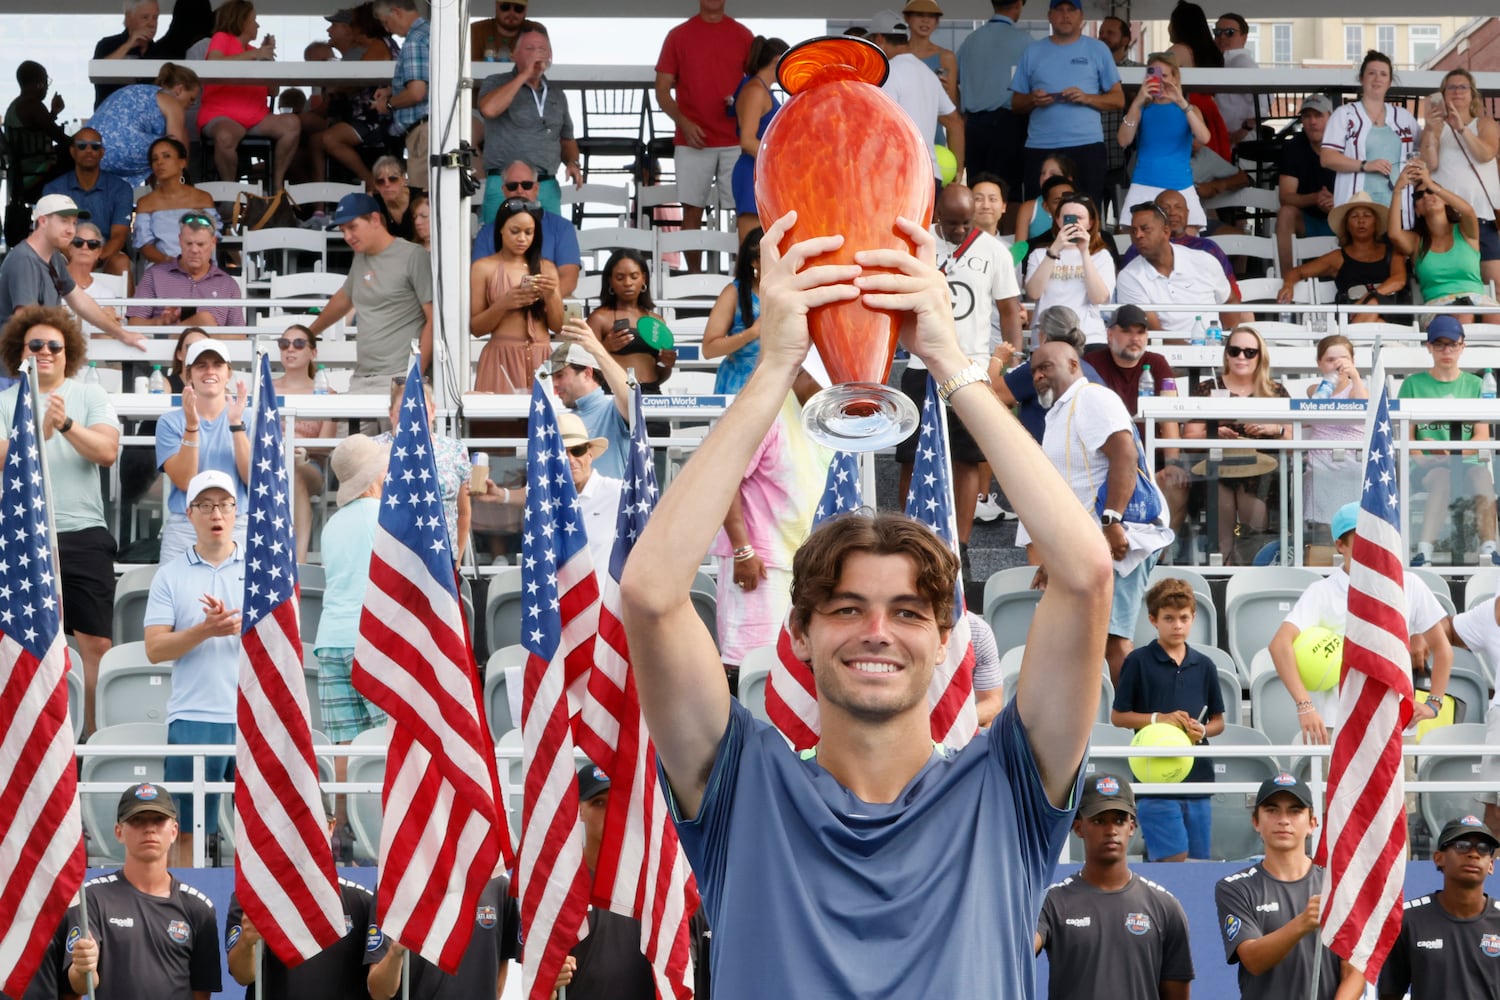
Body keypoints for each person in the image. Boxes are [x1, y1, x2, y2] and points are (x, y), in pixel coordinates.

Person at [619, 209, 1113, 997]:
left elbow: (1087, 573)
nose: (877, 631)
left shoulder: (1008, 790)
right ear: (802, 635)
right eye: (846, 608)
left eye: (909, 612)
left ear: (949, 636)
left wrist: (949, 361)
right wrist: (778, 363)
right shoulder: (743, 786)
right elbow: (648, 594)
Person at [0, 306, 120, 737]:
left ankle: (90, 739)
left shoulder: (89, 396)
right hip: (20, 538)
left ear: (69, 353)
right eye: (36, 345)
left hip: (82, 532)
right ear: (21, 353)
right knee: (17, 643)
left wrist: (65, 423)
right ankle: (27, 739)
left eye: (55, 345)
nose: (46, 351)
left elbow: (108, 452)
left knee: (96, 643)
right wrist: (33, 429)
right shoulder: (3, 402)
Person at [1028, 338, 1173, 681]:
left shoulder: (1091, 397)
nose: (1038, 376)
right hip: (1090, 541)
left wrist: (1113, 521)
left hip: (1120, 536)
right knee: (1089, 641)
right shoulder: (1059, 413)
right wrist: (1054, 557)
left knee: (1112, 641)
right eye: (1034, 370)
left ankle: (1133, 721)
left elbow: (1124, 454)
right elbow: (1070, 493)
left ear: (1074, 365)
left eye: (1046, 367)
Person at [897, 182, 1022, 572]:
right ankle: (907, 538)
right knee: (910, 456)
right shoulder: (917, 246)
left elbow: (1008, 310)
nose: (959, 231)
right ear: (937, 217)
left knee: (967, 458)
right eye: (951, 224)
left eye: (965, 223)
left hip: (972, 367)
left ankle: (962, 546)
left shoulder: (994, 252)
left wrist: (1010, 359)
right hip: (921, 364)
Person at [1268, 502, 1451, 746]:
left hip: (1397, 726)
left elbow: (1444, 650)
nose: (1373, 546)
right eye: (1363, 539)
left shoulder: (1410, 583)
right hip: (1340, 725)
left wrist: (1433, 703)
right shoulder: (1321, 591)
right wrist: (1305, 706)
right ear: (1340, 545)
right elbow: (1279, 645)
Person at [143, 470, 246, 863]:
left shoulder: (259, 572)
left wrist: (239, 629)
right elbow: (154, 648)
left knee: (257, 833)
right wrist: (205, 630)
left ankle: (252, 921)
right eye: (205, 505)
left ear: (236, 511)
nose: (215, 513)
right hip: (193, 716)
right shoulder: (170, 575)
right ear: (190, 514)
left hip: (250, 714)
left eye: (223, 504)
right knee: (184, 832)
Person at [713, 374, 827, 691]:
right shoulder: (766, 412)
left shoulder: (824, 416)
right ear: (804, 373)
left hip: (806, 564)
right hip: (759, 563)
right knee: (751, 666)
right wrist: (742, 550)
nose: (831, 390)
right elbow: (725, 479)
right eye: (827, 380)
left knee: (796, 667)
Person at [1035, 774, 1195, 999]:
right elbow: (1018, 950)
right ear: (1078, 827)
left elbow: (1177, 994)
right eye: (1099, 820)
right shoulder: (1052, 901)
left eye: (1119, 820)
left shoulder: (1165, 906)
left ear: (1132, 826)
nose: (1111, 830)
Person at [563, 764, 710, 999]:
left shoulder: (662, 883)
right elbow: (540, 986)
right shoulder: (562, 886)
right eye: (598, 803)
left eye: (619, 801)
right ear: (579, 810)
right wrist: (550, 980)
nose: (610, 810)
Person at [61, 784, 221, 998]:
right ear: (119, 832)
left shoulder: (199, 907)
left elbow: (201, 993)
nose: (149, 828)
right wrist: (83, 967)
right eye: (137, 820)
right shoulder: (92, 898)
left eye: (158, 819)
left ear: (174, 831)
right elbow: (78, 986)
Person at [1214, 773, 1364, 1000]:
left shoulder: (1338, 886)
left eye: (1295, 811)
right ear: (1256, 822)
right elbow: (1253, 960)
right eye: (1272, 810)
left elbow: (1354, 971)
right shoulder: (1235, 888)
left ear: (1313, 824)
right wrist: (1303, 923)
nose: (1283, 820)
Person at [226, 809, 402, 999]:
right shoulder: (253, 897)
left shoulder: (361, 902)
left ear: (331, 826)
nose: (305, 833)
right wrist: (246, 942)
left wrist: (396, 952)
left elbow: (379, 988)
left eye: (314, 823)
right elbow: (242, 976)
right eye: (296, 824)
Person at [1110, 579, 1225, 858]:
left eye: (1184, 618)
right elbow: (1118, 716)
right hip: (1154, 778)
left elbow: (1218, 721)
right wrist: (1156, 719)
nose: (1177, 625)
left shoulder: (1205, 665)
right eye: (1169, 618)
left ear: (1193, 618)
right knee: (1171, 861)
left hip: (1198, 778)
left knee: (1199, 864)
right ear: (1153, 619)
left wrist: (1203, 731)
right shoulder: (1137, 661)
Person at [315, 434, 391, 837]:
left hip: (332, 635)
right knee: (386, 738)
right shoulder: (385, 516)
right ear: (376, 475)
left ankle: (341, 830)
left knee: (344, 742)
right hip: (374, 638)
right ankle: (384, 828)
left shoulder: (333, 524)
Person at [308, 193, 434, 411]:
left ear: (375, 219)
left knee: (393, 446)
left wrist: (413, 378)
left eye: (352, 227)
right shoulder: (361, 256)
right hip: (361, 377)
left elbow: (433, 319)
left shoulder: (414, 255)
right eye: (342, 230)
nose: (347, 236)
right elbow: (344, 298)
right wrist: (309, 333)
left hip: (399, 377)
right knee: (350, 445)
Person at [654, 0, 753, 268]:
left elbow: (755, 82)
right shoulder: (678, 35)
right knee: (692, 209)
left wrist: (741, 104)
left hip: (735, 140)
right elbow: (662, 88)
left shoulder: (743, 35)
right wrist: (683, 122)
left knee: (742, 211)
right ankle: (693, 277)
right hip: (692, 140)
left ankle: (740, 275)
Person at [1399, 314, 1500, 566]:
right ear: (1429, 347)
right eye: (1439, 344)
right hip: (1426, 467)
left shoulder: (1477, 384)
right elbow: (1406, 436)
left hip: (1466, 465)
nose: (1446, 350)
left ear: (1463, 346)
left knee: (1482, 477)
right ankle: (1424, 552)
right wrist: (1423, 458)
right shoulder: (1412, 384)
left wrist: (1452, 453)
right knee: (1442, 478)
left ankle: (1490, 548)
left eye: (1452, 344)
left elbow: (1481, 437)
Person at [1183, 325, 1288, 563]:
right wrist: (1214, 432)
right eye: (1235, 351)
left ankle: (1247, 570)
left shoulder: (1274, 391)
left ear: (1260, 356)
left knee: (1254, 534)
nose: (1241, 357)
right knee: (1221, 507)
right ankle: (1224, 573)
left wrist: (1274, 429)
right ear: (1226, 354)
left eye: (1250, 352)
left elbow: (1295, 438)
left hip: (1263, 474)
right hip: (1218, 467)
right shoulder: (1209, 388)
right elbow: (1188, 438)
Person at [1083, 304, 1189, 532]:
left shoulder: (1157, 363)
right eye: (1127, 331)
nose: (1135, 338)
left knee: (1175, 483)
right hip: (1103, 463)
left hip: (1150, 463)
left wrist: (1173, 464)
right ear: (1110, 334)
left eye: (1141, 332)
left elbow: (1168, 416)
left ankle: (1159, 558)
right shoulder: (1091, 363)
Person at [1010, 0, 1123, 206]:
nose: (1065, 15)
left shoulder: (1098, 49)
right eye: (1059, 10)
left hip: (1086, 145)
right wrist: (1033, 99)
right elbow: (1016, 103)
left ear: (1081, 17)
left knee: (1088, 210)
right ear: (1049, 16)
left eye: (1071, 10)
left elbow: (1118, 99)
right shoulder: (1032, 51)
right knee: (1040, 213)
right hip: (1041, 146)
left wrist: (1087, 98)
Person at [0, 194, 146, 352]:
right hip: (17, 369)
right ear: (42, 221)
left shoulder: (53, 257)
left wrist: (121, 333)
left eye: (74, 223)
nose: (71, 230)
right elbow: (25, 323)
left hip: (39, 359)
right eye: (64, 221)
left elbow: (79, 299)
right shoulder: (25, 260)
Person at [1378, 816, 1500, 1000]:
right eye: (1462, 845)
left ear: (1491, 864)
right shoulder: (1408, 920)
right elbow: (1390, 994)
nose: (1473, 854)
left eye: (1483, 849)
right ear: (1438, 858)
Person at [477, 24, 583, 222]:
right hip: (505, 186)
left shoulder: (557, 95)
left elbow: (566, 139)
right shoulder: (495, 82)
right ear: (514, 55)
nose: (537, 54)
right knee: (499, 244)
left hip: (546, 185)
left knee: (549, 245)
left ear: (550, 56)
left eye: (542, 49)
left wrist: (572, 162)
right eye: (530, 49)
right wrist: (524, 75)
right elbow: (489, 109)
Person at [199, 0, 300, 192]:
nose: (257, 25)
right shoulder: (222, 37)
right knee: (226, 136)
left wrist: (267, 61)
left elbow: (274, 91)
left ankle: (276, 186)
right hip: (222, 116)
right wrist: (257, 55)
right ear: (242, 20)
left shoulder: (255, 52)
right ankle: (230, 193)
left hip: (257, 118)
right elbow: (215, 62)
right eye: (254, 19)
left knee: (292, 124)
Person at [470, 196, 563, 394]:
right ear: (501, 229)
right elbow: (476, 328)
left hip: (541, 355)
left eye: (529, 233)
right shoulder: (483, 267)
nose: (522, 239)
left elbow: (557, 326)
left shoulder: (546, 267)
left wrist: (552, 295)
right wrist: (504, 303)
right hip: (501, 357)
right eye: (515, 231)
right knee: (502, 423)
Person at [374, 378, 472, 561]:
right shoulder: (373, 449)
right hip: (394, 562)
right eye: (404, 409)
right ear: (391, 414)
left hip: (441, 562)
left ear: (433, 411)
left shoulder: (455, 450)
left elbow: (464, 512)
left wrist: (456, 563)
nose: (413, 414)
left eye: (420, 408)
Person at [1389, 158, 1498, 323]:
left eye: (1430, 192)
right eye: (1419, 195)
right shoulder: (1416, 240)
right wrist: (1398, 189)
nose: (1426, 196)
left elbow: (1468, 211)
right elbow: (1394, 234)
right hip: (1438, 307)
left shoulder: (1464, 231)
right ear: (1417, 210)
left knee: (1496, 317)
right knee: (1463, 316)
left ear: (1445, 199)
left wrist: (1432, 185)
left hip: (1478, 301)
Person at [1422, 68, 1500, 291]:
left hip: (1482, 216)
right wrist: (1429, 128)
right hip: (1448, 221)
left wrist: (1462, 128)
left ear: (1472, 95)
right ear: (1443, 94)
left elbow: (1485, 154)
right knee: (1458, 286)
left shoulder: (1484, 123)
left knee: (1495, 284)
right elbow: (1431, 163)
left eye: (1462, 87)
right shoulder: (1437, 128)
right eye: (1451, 87)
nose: (1457, 92)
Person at [308, 3, 400, 191]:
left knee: (330, 139)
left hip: (378, 117)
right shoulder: (378, 45)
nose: (352, 28)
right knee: (317, 140)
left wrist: (335, 86)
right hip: (370, 115)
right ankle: (320, 204)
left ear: (362, 26)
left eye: (354, 24)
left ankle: (371, 183)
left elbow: (356, 81)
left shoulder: (378, 45)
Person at [869, 10, 964, 190]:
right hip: (931, 175)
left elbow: (880, 129)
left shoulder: (886, 74)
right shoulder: (928, 74)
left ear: (879, 39)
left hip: (898, 176)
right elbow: (955, 122)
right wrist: (957, 172)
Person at [1277, 191, 1407, 321]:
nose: (1361, 221)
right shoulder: (1338, 257)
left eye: (1367, 216)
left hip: (1390, 314)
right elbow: (1298, 272)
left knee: (1375, 306)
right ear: (1347, 225)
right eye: (1354, 216)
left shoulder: (1392, 252)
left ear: (1376, 223)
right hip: (1351, 316)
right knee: (1377, 318)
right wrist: (1288, 284)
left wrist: (1369, 298)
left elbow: (1399, 280)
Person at [1118, 51, 1210, 230]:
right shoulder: (1142, 108)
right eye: (1152, 75)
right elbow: (1123, 140)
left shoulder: (1189, 109)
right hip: (1144, 182)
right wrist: (1137, 101)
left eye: (1164, 75)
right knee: (1136, 241)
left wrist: (1181, 101)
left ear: (1175, 77)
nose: (1158, 80)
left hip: (1180, 185)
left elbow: (1204, 138)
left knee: (1187, 243)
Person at [1116, 200, 1231, 340]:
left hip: (1213, 351)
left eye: (1145, 229)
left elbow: (1229, 301)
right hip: (1167, 355)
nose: (1138, 235)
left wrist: (1226, 347)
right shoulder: (1129, 276)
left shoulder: (1204, 261)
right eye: (1133, 231)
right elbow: (1156, 333)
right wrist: (1195, 354)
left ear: (1166, 231)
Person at [1321, 50, 1421, 209]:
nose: (1377, 79)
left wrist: (1434, 128)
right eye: (1371, 73)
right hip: (1358, 210)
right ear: (1361, 78)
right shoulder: (1344, 114)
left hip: (1398, 208)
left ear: (1389, 81)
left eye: (1383, 74)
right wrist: (1365, 165)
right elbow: (1327, 158)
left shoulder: (1404, 117)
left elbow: (1422, 152)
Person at [1118, 188, 1244, 313]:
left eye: (1178, 207)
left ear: (1187, 213)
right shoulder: (1138, 249)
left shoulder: (1208, 248)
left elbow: (1231, 295)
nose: (1172, 212)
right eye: (1166, 208)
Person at [956, 0, 1030, 207]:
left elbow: (954, 81)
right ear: (1017, 5)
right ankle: (1006, 237)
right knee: (1008, 190)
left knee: (977, 189)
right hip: (1009, 124)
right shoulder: (1025, 41)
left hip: (974, 125)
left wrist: (961, 113)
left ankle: (978, 237)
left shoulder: (970, 41)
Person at [995, 304, 1104, 445]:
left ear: (1043, 336)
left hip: (1045, 458)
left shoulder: (1041, 367)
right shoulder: (1089, 369)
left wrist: (997, 359)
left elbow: (991, 395)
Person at [470, 161, 583, 297]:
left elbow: (569, 279)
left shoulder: (562, 227)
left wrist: (535, 306)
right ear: (504, 190)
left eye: (526, 185)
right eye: (512, 186)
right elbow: (480, 281)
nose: (520, 190)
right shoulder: (486, 232)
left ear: (536, 188)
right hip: (501, 304)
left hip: (548, 304)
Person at [274, 324, 338, 562]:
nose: (290, 349)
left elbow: (326, 444)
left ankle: (297, 564)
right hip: (271, 462)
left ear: (313, 352)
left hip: (310, 464)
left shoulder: (326, 393)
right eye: (284, 344)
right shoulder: (266, 388)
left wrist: (301, 451)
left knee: (296, 471)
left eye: (299, 344)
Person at [1024, 194, 1116, 346]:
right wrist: (1054, 251)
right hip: (1047, 337)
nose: (1074, 223)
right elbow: (1033, 293)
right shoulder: (1039, 254)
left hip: (1089, 337)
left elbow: (1098, 298)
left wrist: (1085, 253)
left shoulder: (1101, 256)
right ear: (1058, 220)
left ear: (1090, 222)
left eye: (1079, 218)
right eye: (1068, 218)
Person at [1440, 598, 1500, 833]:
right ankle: (1494, 868)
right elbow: (1450, 631)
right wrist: (1421, 638)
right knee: (1495, 811)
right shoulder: (1494, 610)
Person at [90, 62, 201, 189]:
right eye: (191, 99)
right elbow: (174, 148)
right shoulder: (172, 102)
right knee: (176, 142)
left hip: (91, 150)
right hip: (121, 148)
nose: (190, 105)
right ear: (179, 90)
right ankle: (178, 189)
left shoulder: (141, 90)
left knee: (159, 149)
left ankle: (158, 193)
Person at [42, 127, 133, 277]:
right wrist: (77, 259)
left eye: (95, 146)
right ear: (73, 151)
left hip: (103, 256)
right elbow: (53, 235)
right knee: (48, 260)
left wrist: (95, 258)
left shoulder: (121, 188)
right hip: (65, 255)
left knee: (121, 263)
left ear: (102, 152)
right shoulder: (54, 189)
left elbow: (119, 235)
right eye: (82, 146)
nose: (89, 150)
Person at [1300, 334, 1368, 534]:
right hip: (1321, 462)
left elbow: (1363, 407)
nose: (1338, 364)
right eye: (1330, 360)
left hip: (1354, 461)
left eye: (1344, 359)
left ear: (1353, 362)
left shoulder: (1358, 389)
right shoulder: (1314, 390)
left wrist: (1355, 377)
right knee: (1315, 478)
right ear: (1319, 363)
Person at [548, 322, 632, 481]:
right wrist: (505, 495)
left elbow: (632, 398)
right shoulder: (563, 422)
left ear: (587, 373)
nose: (555, 384)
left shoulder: (613, 411)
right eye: (552, 378)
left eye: (560, 375)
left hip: (612, 505)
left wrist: (597, 349)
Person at [128, 214, 245, 328]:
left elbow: (240, 337)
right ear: (180, 240)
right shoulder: (154, 275)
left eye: (200, 244)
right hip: (164, 346)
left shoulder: (228, 285)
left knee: (205, 319)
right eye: (189, 243)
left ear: (213, 243)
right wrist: (161, 321)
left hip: (211, 346)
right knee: (205, 320)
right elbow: (133, 323)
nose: (194, 250)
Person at [588, 248, 675, 392]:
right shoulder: (599, 318)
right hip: (614, 394)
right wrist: (605, 347)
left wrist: (667, 364)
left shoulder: (656, 321)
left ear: (644, 279)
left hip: (651, 393)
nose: (628, 283)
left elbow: (661, 375)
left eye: (634, 276)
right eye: (620, 278)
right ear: (610, 281)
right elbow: (581, 365)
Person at [731, 35, 788, 243]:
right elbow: (747, 140)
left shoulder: (761, 89)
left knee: (763, 245)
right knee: (751, 245)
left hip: (762, 172)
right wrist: (779, 161)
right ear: (777, 61)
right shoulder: (755, 90)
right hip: (751, 171)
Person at [132, 138, 223, 267]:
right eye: (155, 159)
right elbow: (145, 245)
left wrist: (191, 263)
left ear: (182, 163)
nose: (160, 162)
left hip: (200, 266)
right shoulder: (145, 203)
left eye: (166, 156)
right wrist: (171, 263)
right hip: (161, 268)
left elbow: (212, 238)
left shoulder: (202, 198)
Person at [554, 411, 623, 579]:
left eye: (577, 450)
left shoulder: (617, 491)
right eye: (563, 452)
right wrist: (503, 495)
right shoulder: (547, 500)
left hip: (603, 602)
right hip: (561, 602)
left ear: (589, 454)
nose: (570, 459)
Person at [3, 61, 68, 239]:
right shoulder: (32, 105)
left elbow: (38, 129)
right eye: (46, 82)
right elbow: (60, 138)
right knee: (80, 155)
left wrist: (53, 113)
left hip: (22, 178)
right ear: (40, 83)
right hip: (36, 177)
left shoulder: (16, 106)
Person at [1276, 95, 1338, 275]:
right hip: (1308, 220)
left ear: (1330, 118)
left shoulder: (1347, 145)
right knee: (1286, 213)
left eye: (1318, 116)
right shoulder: (1294, 147)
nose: (1312, 122)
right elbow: (1285, 197)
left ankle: (1355, 281)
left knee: (1362, 212)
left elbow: (1361, 192)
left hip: (1342, 221)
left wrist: (1338, 204)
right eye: (1307, 116)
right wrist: (1315, 198)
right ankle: (1287, 282)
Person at [374, 0, 431, 191]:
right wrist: (394, 89)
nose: (387, 29)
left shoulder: (414, 41)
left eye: (385, 21)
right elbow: (428, 81)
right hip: (433, 127)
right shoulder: (430, 33)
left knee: (422, 198)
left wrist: (389, 104)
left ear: (396, 12)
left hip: (422, 132)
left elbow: (417, 92)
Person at [702, 227, 763, 394]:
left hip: (783, 385)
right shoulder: (733, 293)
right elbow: (709, 349)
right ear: (754, 262)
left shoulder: (791, 293)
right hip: (740, 385)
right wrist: (752, 333)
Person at [1212, 13, 1258, 146]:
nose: (1222, 37)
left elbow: (1263, 101)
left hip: (1242, 141)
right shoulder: (1224, 62)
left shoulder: (1243, 62)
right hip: (1226, 139)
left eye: (1230, 32)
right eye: (1217, 32)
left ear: (1244, 38)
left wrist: (1244, 131)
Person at [903, 0, 957, 107]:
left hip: (933, 122)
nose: (925, 20)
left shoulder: (946, 57)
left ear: (937, 21)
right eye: (919, 14)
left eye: (931, 16)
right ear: (907, 18)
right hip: (901, 121)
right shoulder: (895, 54)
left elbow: (951, 102)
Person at [65, 220, 131, 304]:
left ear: (98, 252)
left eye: (92, 244)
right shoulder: (52, 283)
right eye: (78, 242)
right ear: (70, 248)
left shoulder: (106, 295)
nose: (85, 247)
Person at [1014, 163, 1076, 246]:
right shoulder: (1038, 244)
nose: (1046, 177)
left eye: (1054, 174)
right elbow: (1019, 252)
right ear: (1046, 205)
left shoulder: (1085, 220)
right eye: (1043, 173)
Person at [370, 156, 417, 241]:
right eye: (380, 181)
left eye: (393, 179)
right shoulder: (373, 204)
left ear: (403, 179)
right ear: (376, 185)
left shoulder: (419, 198)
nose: (387, 184)